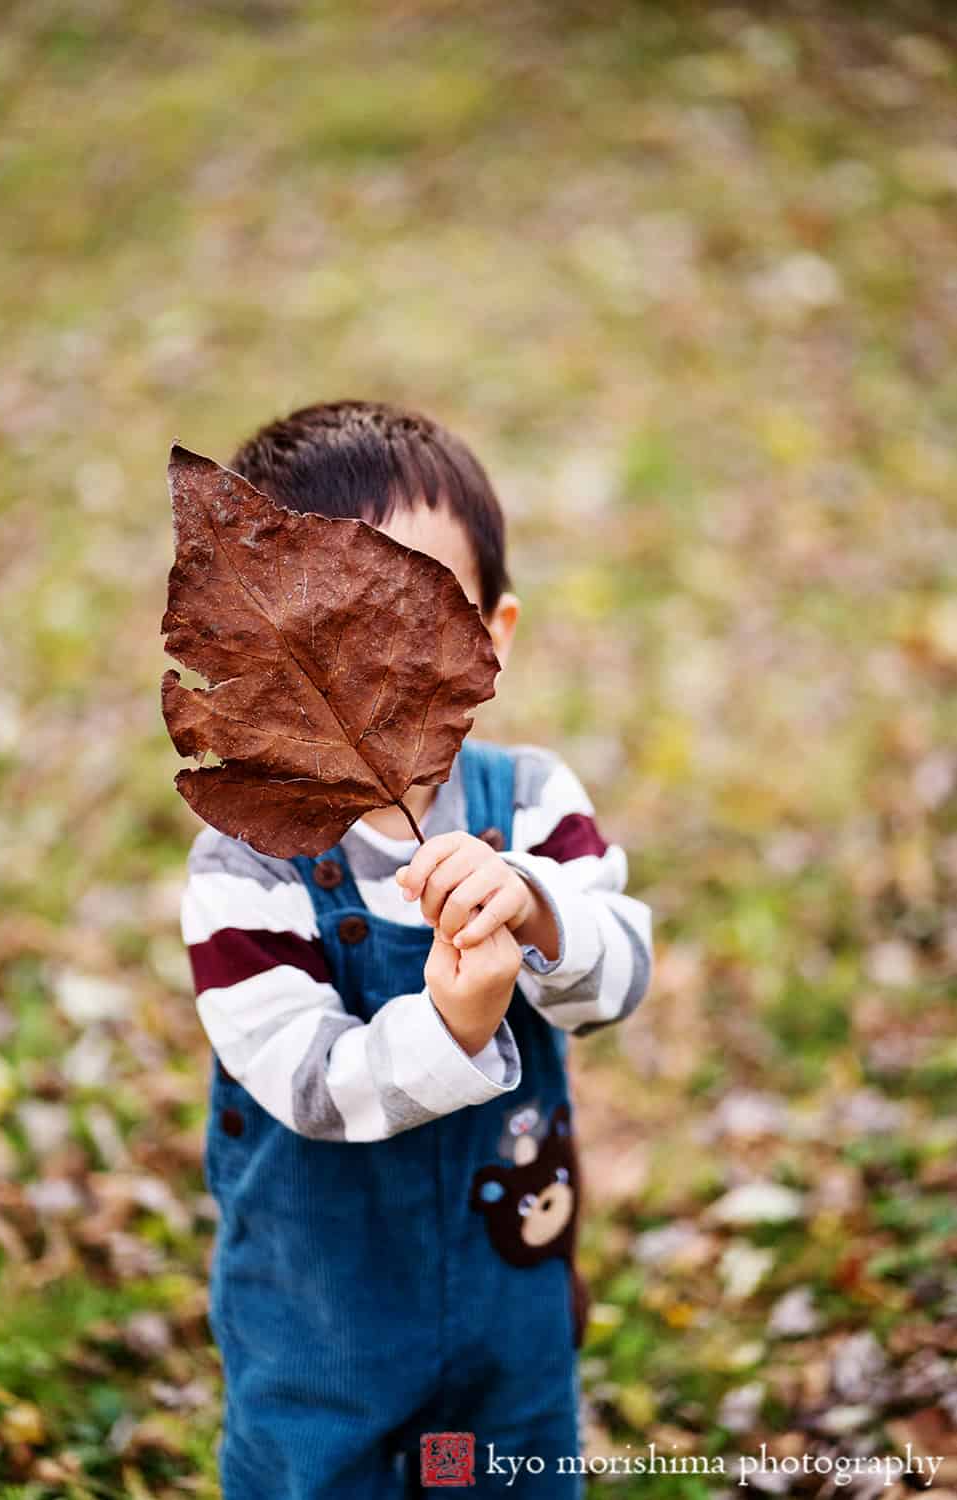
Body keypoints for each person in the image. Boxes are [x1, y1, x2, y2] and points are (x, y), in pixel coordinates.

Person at [178, 400, 654, 1498]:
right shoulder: (248, 860)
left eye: (424, 607)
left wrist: (535, 909)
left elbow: (617, 974)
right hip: (320, 1324)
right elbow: (304, 1080)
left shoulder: (528, 802)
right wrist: (452, 1028)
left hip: (509, 1305)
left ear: (492, 633)